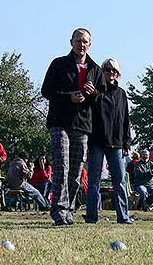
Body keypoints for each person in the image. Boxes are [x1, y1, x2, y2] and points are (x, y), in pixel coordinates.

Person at [41, 28, 106, 225]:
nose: (81, 44)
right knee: (61, 164)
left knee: (76, 170)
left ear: (90, 44)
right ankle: (59, 210)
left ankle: (69, 208)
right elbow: (46, 91)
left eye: (85, 41)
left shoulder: (95, 69)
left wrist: (92, 93)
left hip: (82, 125)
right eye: (78, 41)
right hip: (60, 122)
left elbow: (102, 100)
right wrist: (69, 97)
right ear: (71, 42)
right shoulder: (59, 64)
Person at [84, 58, 132, 224]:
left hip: (117, 143)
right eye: (107, 69)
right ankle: (91, 216)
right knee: (94, 181)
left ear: (118, 73)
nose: (110, 73)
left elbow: (126, 119)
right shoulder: (96, 92)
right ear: (102, 72)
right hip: (97, 142)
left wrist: (127, 142)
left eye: (113, 70)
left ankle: (123, 216)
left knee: (119, 182)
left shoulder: (122, 94)